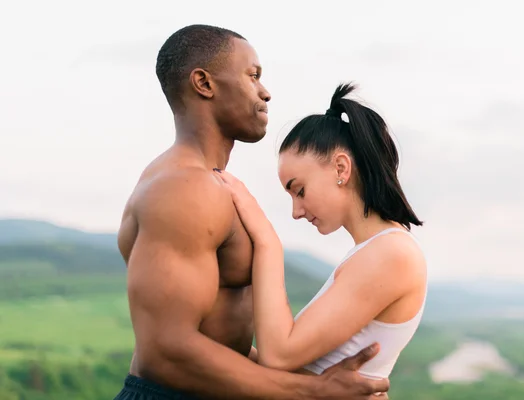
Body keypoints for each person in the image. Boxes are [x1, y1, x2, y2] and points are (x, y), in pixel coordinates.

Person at [112, 24, 390, 400]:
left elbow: (219, 345)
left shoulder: (211, 184)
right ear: (204, 84)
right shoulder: (183, 188)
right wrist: (311, 391)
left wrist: (320, 379)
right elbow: (164, 350)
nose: (265, 92)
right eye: (253, 76)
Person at [214, 82, 428, 380]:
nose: (296, 212)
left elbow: (279, 356)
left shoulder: (391, 254)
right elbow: (296, 370)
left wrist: (266, 241)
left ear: (341, 168)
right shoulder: (371, 253)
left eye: (299, 191)